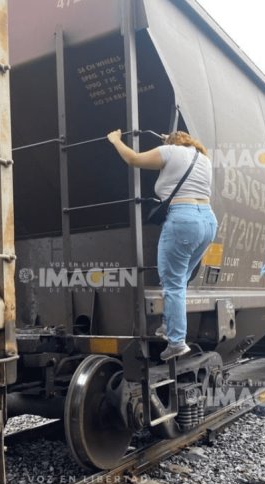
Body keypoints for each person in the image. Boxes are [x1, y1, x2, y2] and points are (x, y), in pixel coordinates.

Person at [107, 129, 217, 361]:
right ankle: (169, 326)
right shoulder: (204, 159)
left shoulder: (169, 151)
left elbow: (133, 159)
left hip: (183, 218)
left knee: (173, 283)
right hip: (207, 221)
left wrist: (115, 140)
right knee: (181, 279)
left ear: (171, 141)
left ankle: (177, 342)